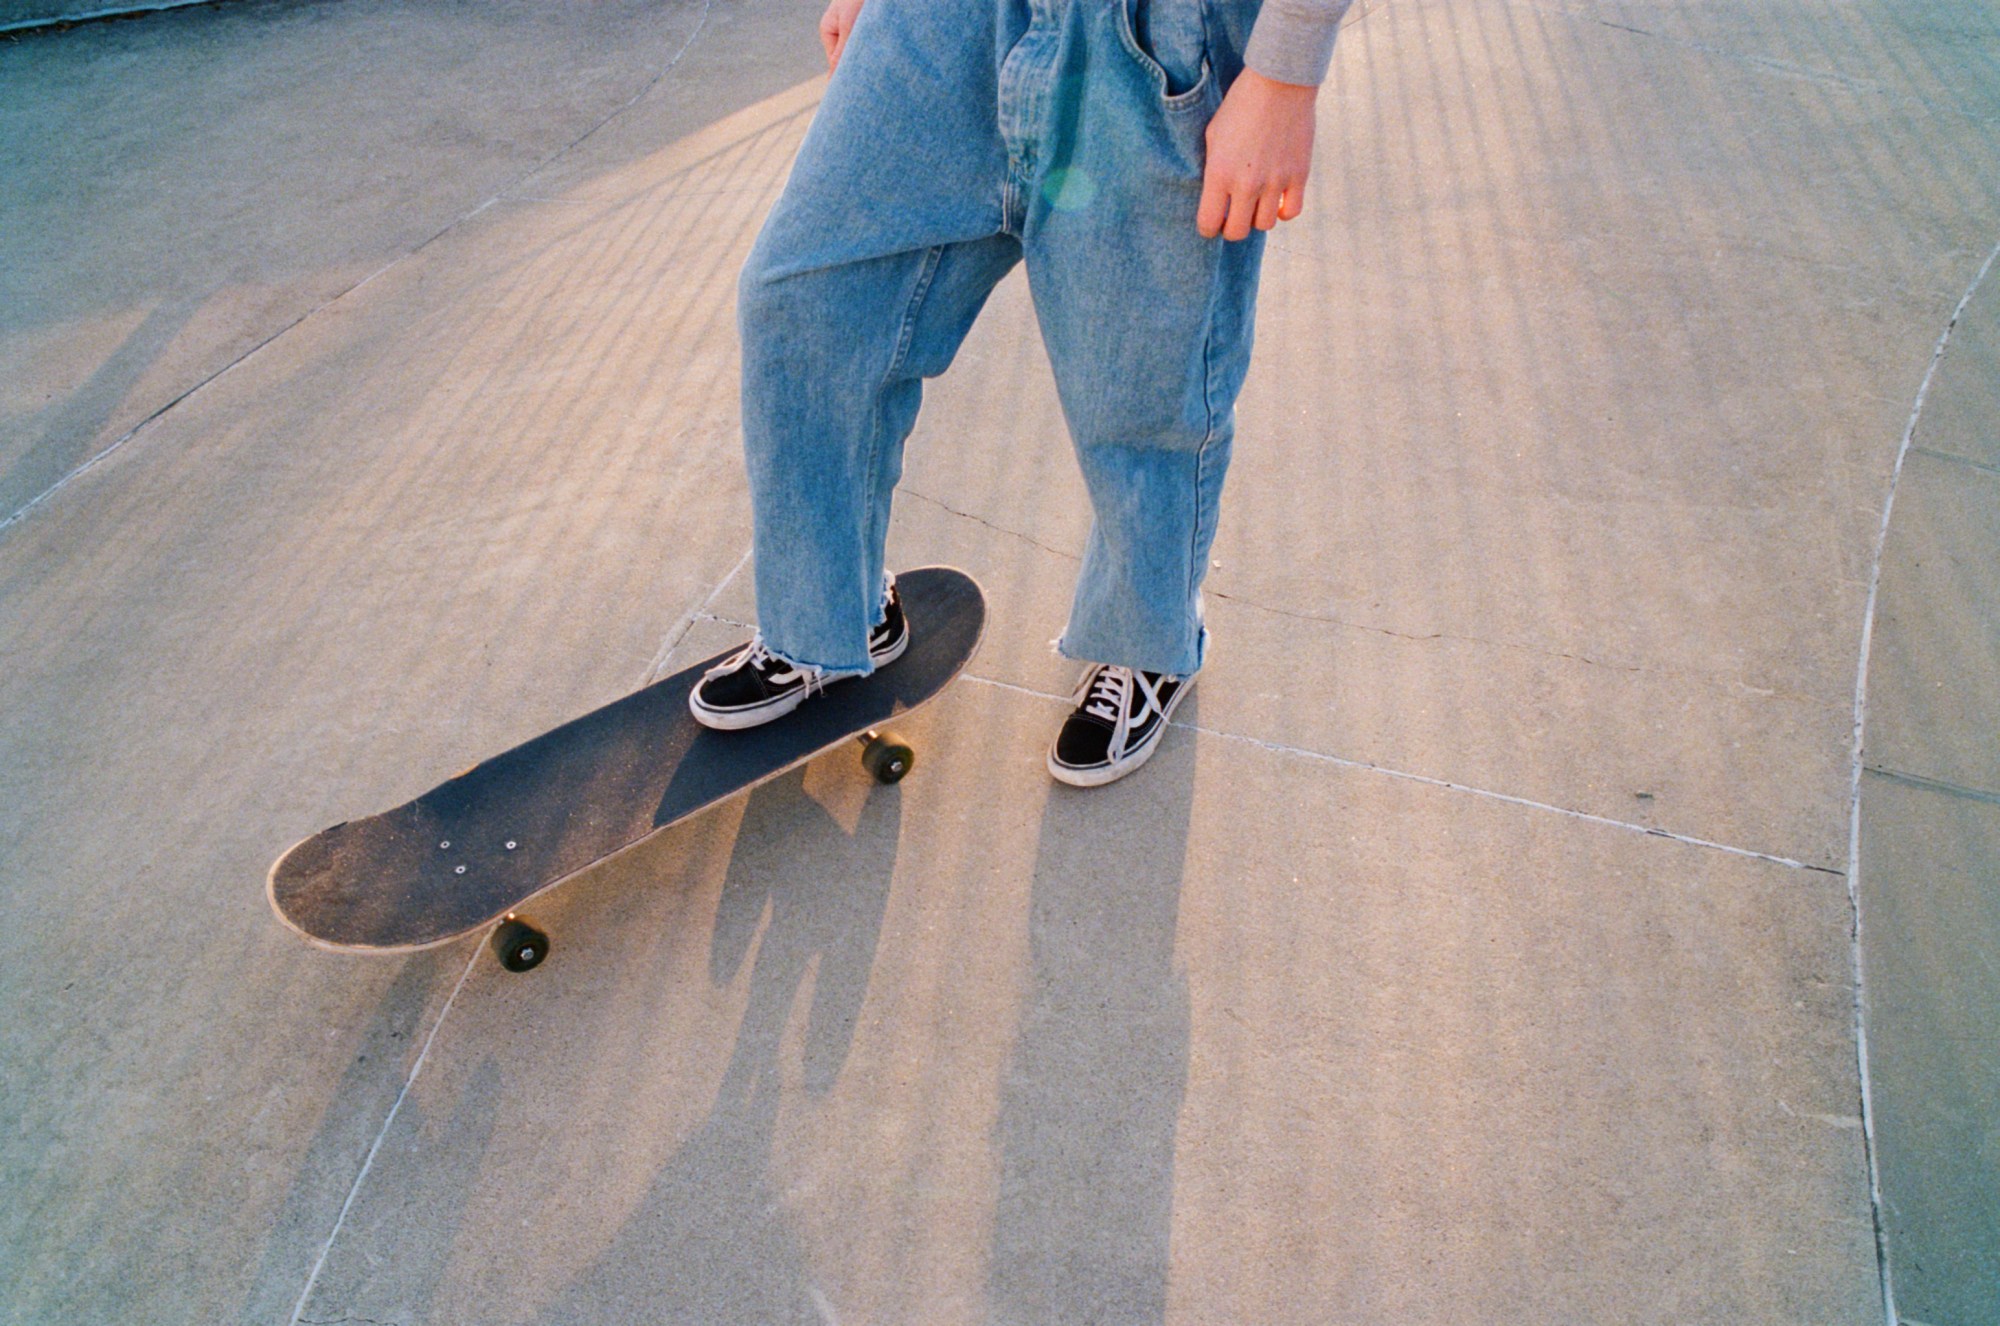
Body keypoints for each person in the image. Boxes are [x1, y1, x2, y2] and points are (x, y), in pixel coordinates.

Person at [690, 0, 1351, 786]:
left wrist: (1284, 70)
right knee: (807, 297)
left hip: (1157, 34)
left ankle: (1147, 645)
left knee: (1138, 386)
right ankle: (831, 617)